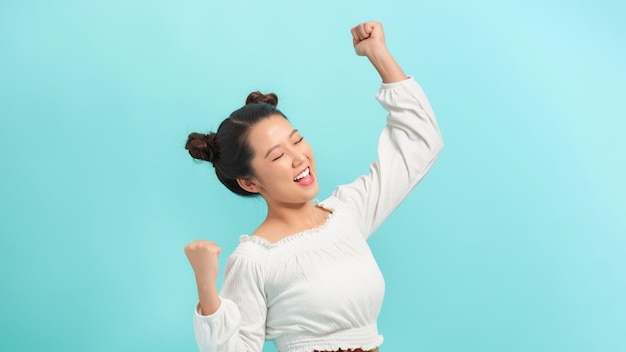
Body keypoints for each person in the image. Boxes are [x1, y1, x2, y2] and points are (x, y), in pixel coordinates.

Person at [183, 21, 443, 352]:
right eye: (277, 156)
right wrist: (206, 284)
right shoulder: (254, 259)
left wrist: (378, 55)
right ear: (249, 182)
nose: (298, 158)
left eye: (298, 140)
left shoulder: (347, 213)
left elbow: (419, 146)